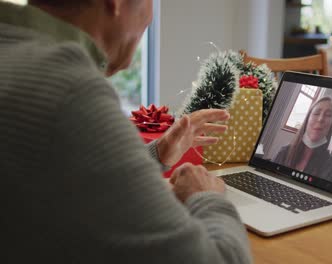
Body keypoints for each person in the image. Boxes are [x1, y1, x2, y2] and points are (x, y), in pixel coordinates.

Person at [0, 1, 251, 263]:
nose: (150, 17)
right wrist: (205, 195)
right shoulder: (70, 91)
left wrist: (156, 154)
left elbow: (66, 173)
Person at [273, 97, 332, 184]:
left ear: (331, 126)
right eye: (316, 113)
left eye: (328, 115)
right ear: (307, 119)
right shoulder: (284, 152)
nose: (320, 119)